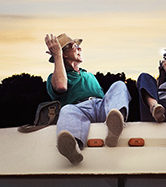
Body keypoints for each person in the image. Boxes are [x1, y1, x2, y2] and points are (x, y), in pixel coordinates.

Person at [45, 33, 131, 165]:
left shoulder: (89, 75)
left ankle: (115, 126)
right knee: (67, 109)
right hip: (79, 110)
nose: (80, 49)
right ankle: (73, 149)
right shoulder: (54, 77)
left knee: (119, 85)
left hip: (101, 106)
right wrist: (57, 55)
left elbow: (107, 97)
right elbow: (61, 86)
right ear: (64, 54)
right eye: (75, 46)